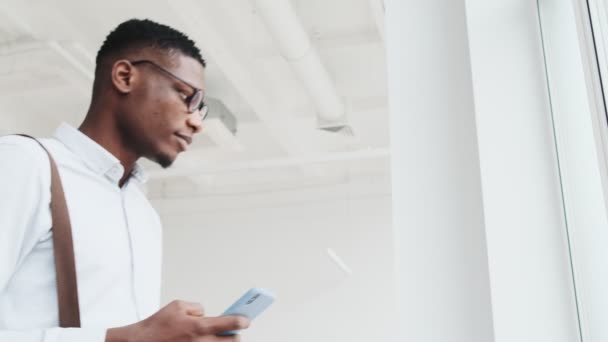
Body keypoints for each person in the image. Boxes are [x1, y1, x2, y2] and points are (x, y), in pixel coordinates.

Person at [0, 19, 250, 341]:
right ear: (124, 76)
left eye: (201, 110)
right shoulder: (25, 164)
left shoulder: (143, 213)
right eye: (186, 96)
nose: (196, 122)